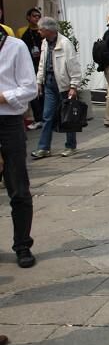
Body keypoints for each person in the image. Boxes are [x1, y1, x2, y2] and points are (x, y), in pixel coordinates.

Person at [0, 27, 38, 267]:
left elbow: (30, 88)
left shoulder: (15, 46)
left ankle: (22, 244)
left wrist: (3, 97)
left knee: (18, 188)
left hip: (8, 122)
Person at [31, 18, 81, 159]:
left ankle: (71, 146)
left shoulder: (64, 43)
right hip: (50, 83)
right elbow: (42, 63)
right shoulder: (45, 43)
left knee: (68, 116)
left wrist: (74, 85)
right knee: (47, 116)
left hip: (64, 83)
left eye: (40, 29)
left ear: (48, 30)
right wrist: (39, 81)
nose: (39, 31)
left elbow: (73, 64)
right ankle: (43, 148)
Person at [17, 8, 43, 128]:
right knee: (33, 91)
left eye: (38, 16)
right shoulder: (22, 31)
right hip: (29, 64)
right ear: (28, 17)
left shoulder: (42, 31)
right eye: (34, 16)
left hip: (42, 63)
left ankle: (45, 118)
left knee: (44, 91)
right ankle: (38, 118)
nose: (36, 18)